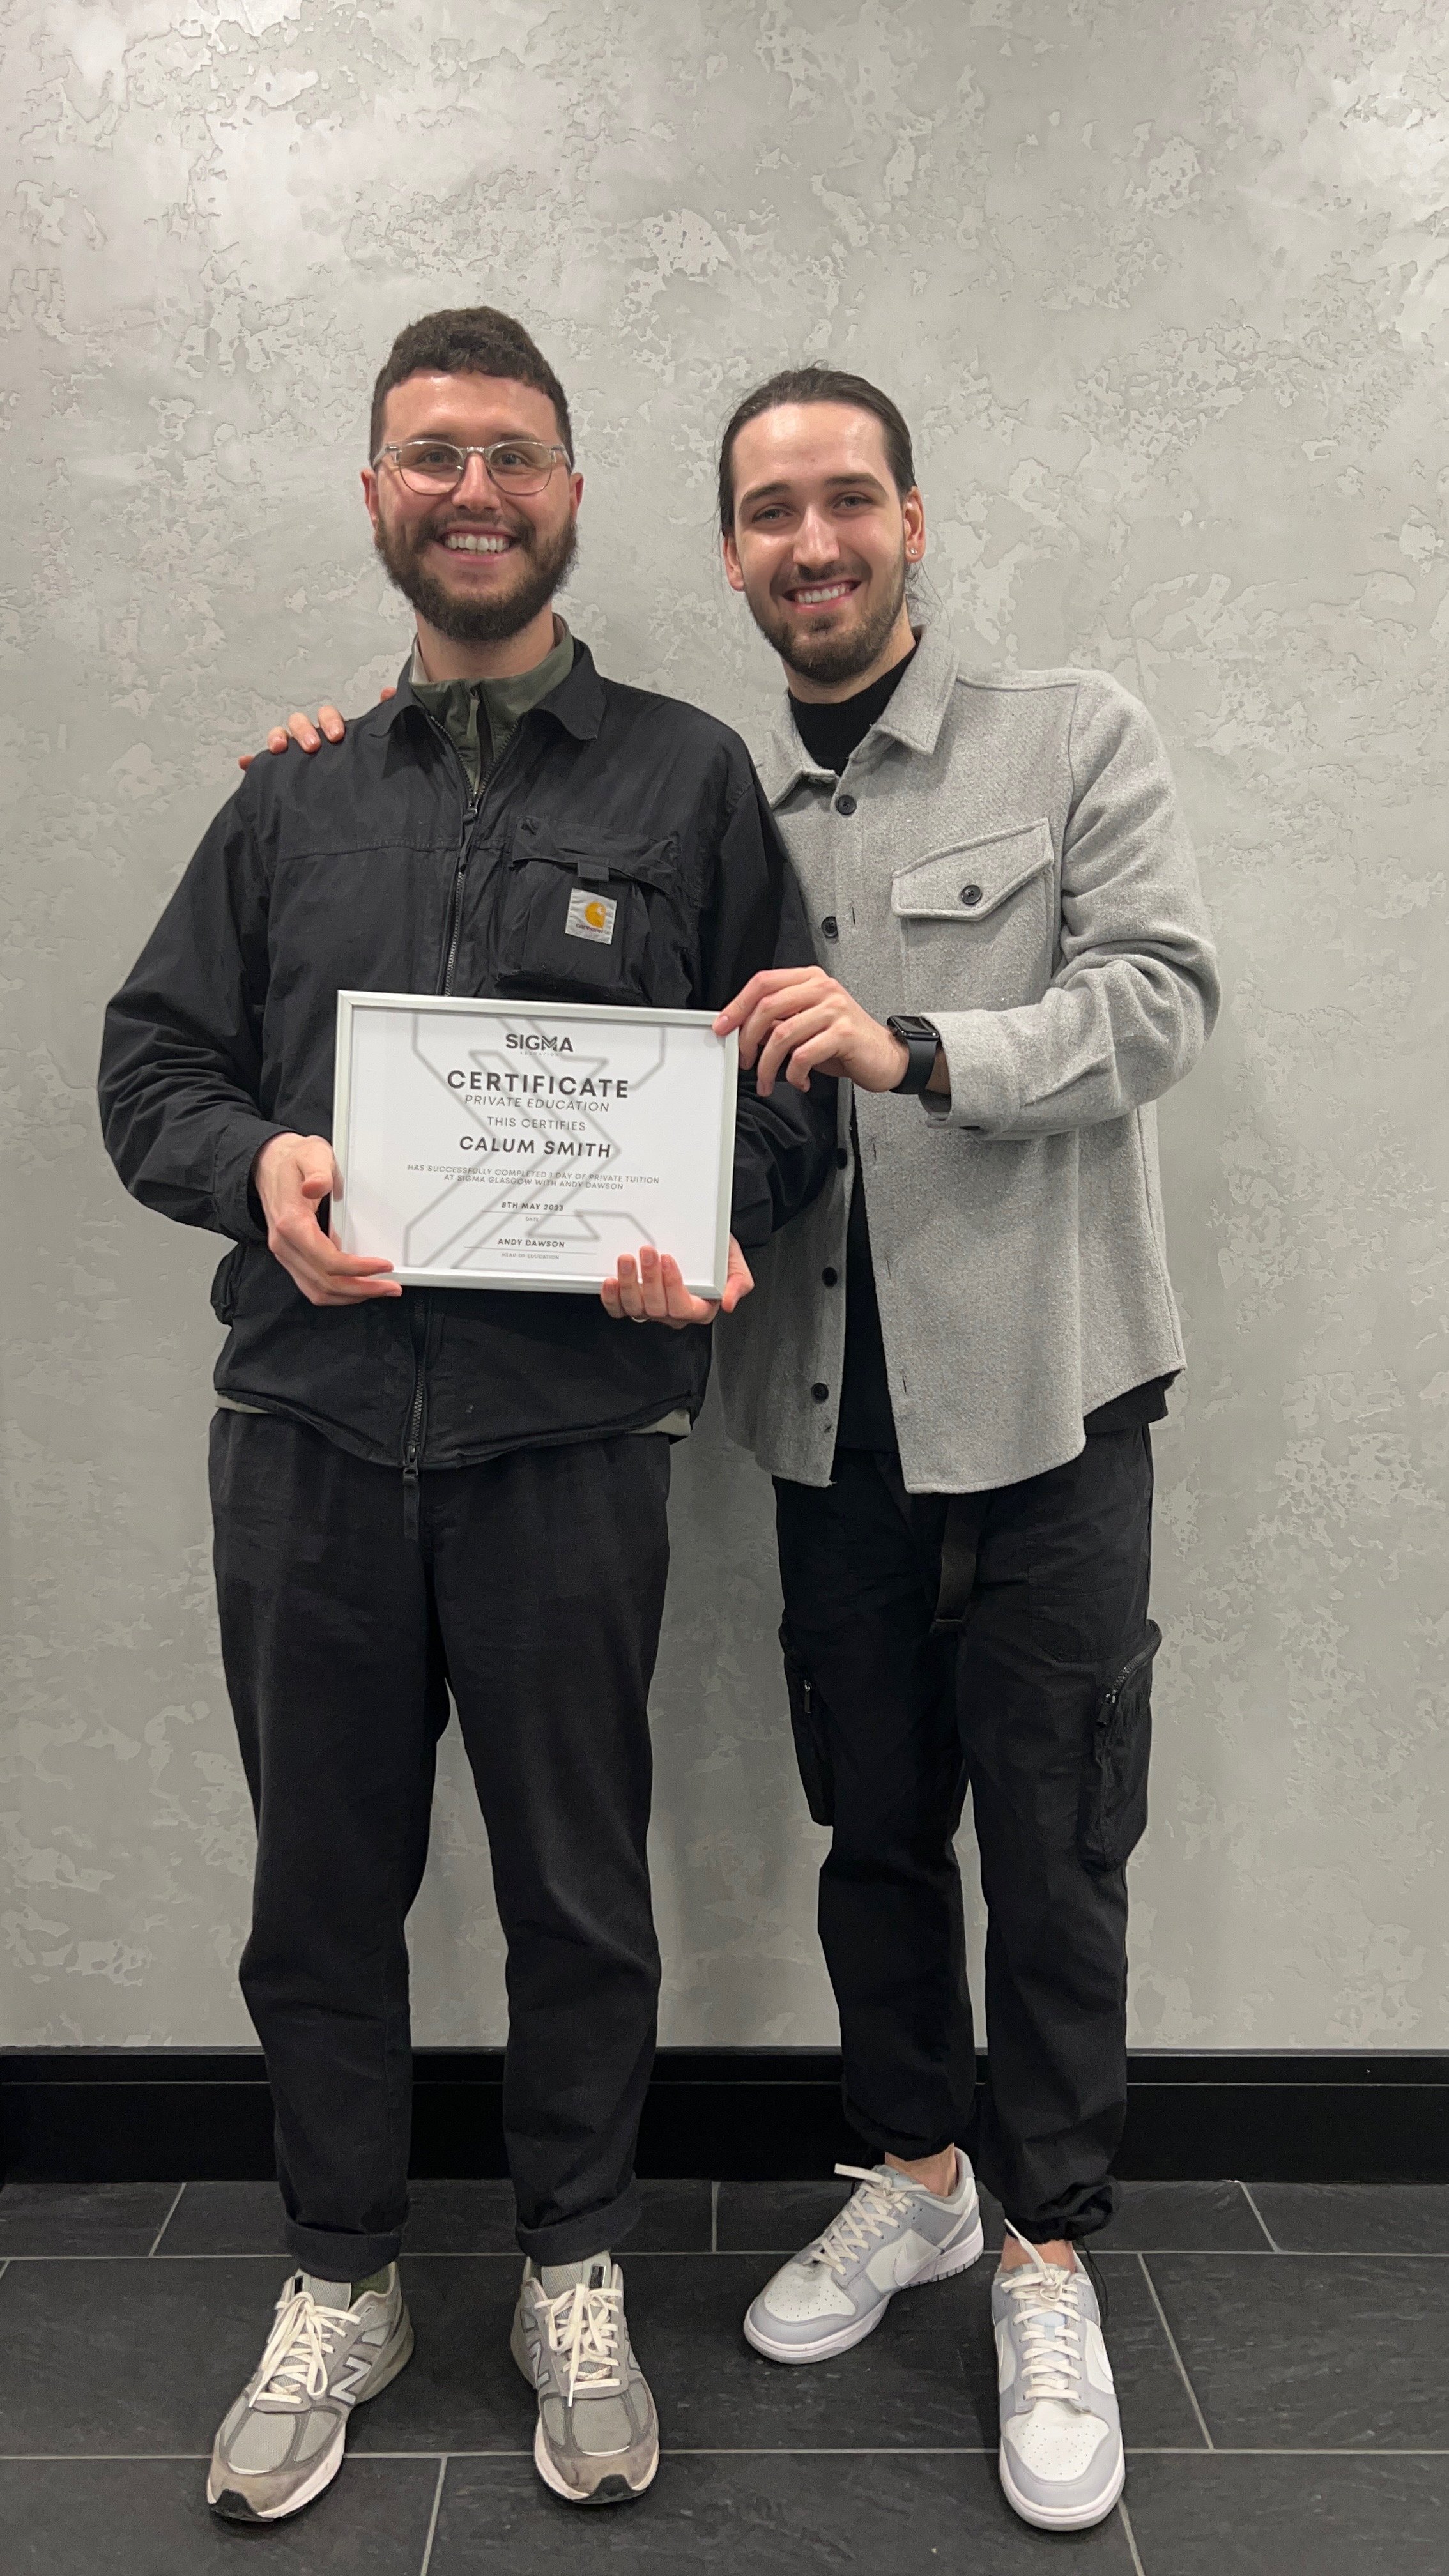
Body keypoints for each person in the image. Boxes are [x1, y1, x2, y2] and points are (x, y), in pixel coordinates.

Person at [256, 360, 1220, 2535]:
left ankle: (1048, 2252)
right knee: (871, 1830)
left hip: (1049, 1392)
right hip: (811, 1410)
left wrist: (920, 1043)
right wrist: (338, 760)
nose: (812, 545)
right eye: (770, 514)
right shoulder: (689, 801)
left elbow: (1160, 998)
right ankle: (917, 2179)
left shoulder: (1068, 737)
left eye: (847, 503)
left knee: (1055, 1838)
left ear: (908, 522)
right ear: (718, 550)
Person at [97, 305, 833, 2527]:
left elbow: (781, 1109)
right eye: (432, 457)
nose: (473, 493)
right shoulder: (291, 794)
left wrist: (702, 1230)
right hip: (309, 1436)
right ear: (378, 498)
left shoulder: (689, 780)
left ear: (574, 492)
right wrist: (265, 1174)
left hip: (564, 1449)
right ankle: (343, 2275)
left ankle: (574, 2264)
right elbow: (153, 1076)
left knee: (576, 1893)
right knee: (320, 1892)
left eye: (512, 455)